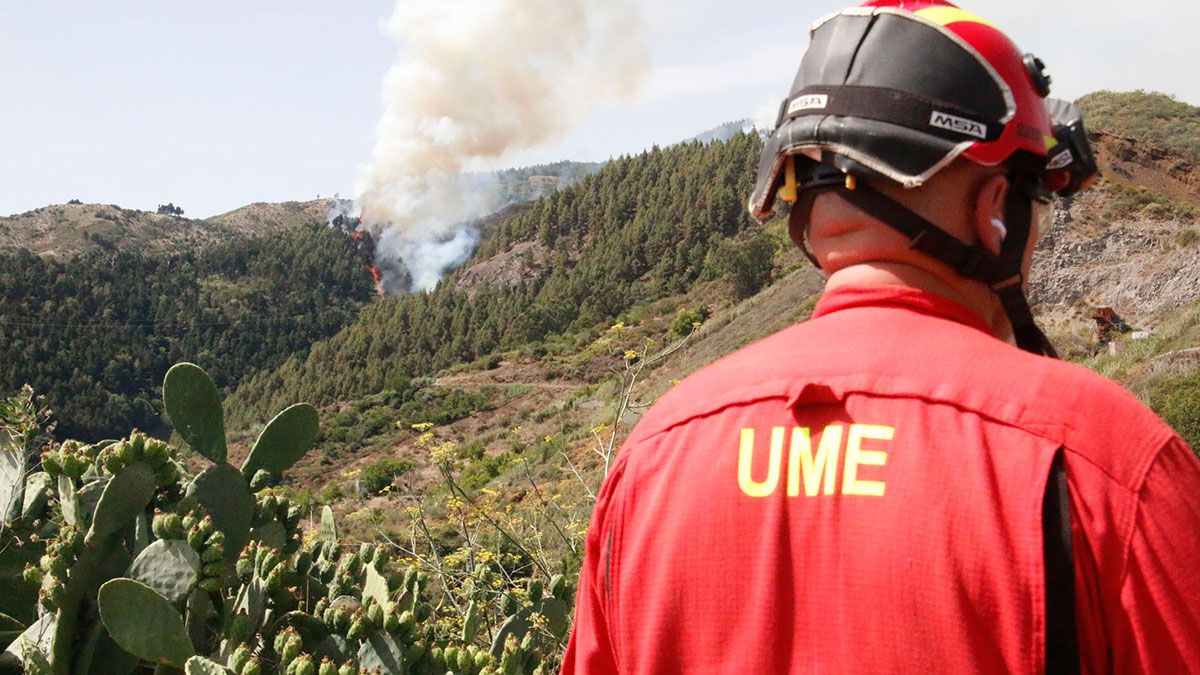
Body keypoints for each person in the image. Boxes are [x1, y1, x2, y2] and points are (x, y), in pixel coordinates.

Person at [561, 1, 1200, 673]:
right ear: (993, 214)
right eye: (1031, 201)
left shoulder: (650, 460)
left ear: (808, 214)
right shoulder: (1110, 464)